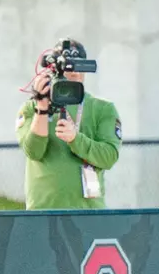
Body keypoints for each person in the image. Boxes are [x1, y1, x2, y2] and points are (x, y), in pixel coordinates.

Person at [16, 40, 122, 210]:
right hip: (43, 212)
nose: (73, 72)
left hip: (88, 213)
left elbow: (108, 157)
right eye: (67, 66)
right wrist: (42, 108)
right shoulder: (31, 108)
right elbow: (33, 151)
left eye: (78, 65)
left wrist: (75, 139)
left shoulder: (103, 109)